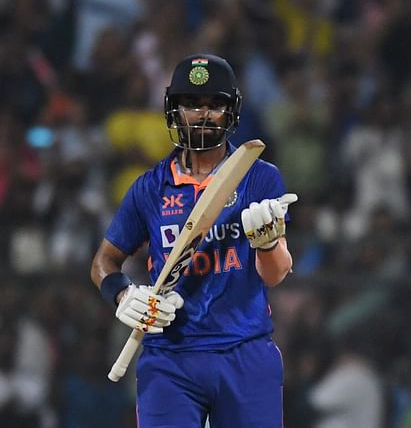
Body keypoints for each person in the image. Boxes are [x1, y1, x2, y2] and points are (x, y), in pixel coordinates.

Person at [90, 54, 297, 427]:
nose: (204, 115)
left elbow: (276, 274)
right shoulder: (149, 189)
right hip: (169, 359)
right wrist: (124, 295)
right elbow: (104, 262)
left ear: (231, 111)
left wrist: (267, 244)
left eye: (215, 105)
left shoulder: (259, 176)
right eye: (192, 104)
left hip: (245, 352)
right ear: (174, 110)